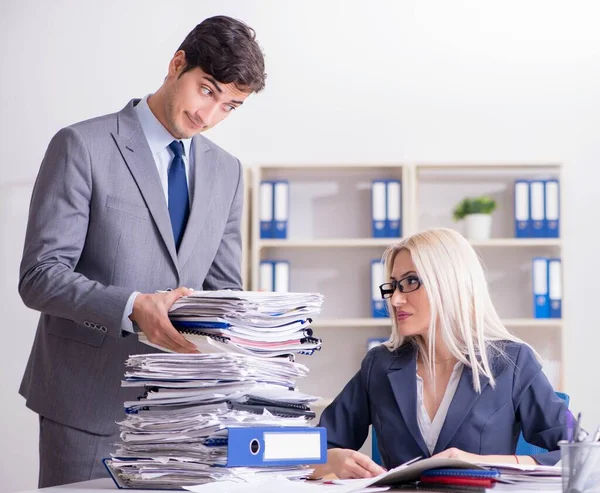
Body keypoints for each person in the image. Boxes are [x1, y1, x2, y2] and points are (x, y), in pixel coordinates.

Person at [18, 15, 266, 488]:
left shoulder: (227, 172)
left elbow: (223, 290)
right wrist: (132, 307)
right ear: (177, 65)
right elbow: (40, 275)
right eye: (207, 90)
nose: (208, 116)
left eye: (229, 106)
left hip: (186, 416)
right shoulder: (83, 146)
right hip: (87, 406)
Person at [315, 227, 567, 479]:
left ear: (450, 283)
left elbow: (579, 453)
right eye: (393, 286)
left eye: (411, 281)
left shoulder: (511, 362)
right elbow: (309, 449)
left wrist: (480, 463)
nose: (395, 300)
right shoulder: (380, 364)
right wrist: (333, 460)